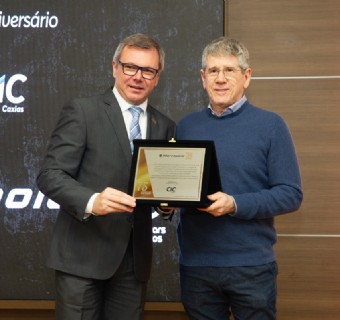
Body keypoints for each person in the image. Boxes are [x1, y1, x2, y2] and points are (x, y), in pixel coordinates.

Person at [36, 33, 175, 320]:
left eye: (148, 70)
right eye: (130, 67)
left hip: (134, 265)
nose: (138, 77)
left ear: (157, 77)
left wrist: (167, 203)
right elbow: (50, 175)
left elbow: (157, 190)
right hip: (81, 259)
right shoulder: (83, 111)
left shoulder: (164, 125)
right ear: (115, 67)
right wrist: (92, 200)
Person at [175, 36, 303, 320]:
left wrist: (234, 203)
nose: (220, 79)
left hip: (252, 267)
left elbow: (290, 193)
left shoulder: (271, 126)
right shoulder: (185, 126)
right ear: (203, 77)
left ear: (246, 77)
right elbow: (175, 186)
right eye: (213, 71)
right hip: (197, 267)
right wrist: (164, 201)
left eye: (229, 70)